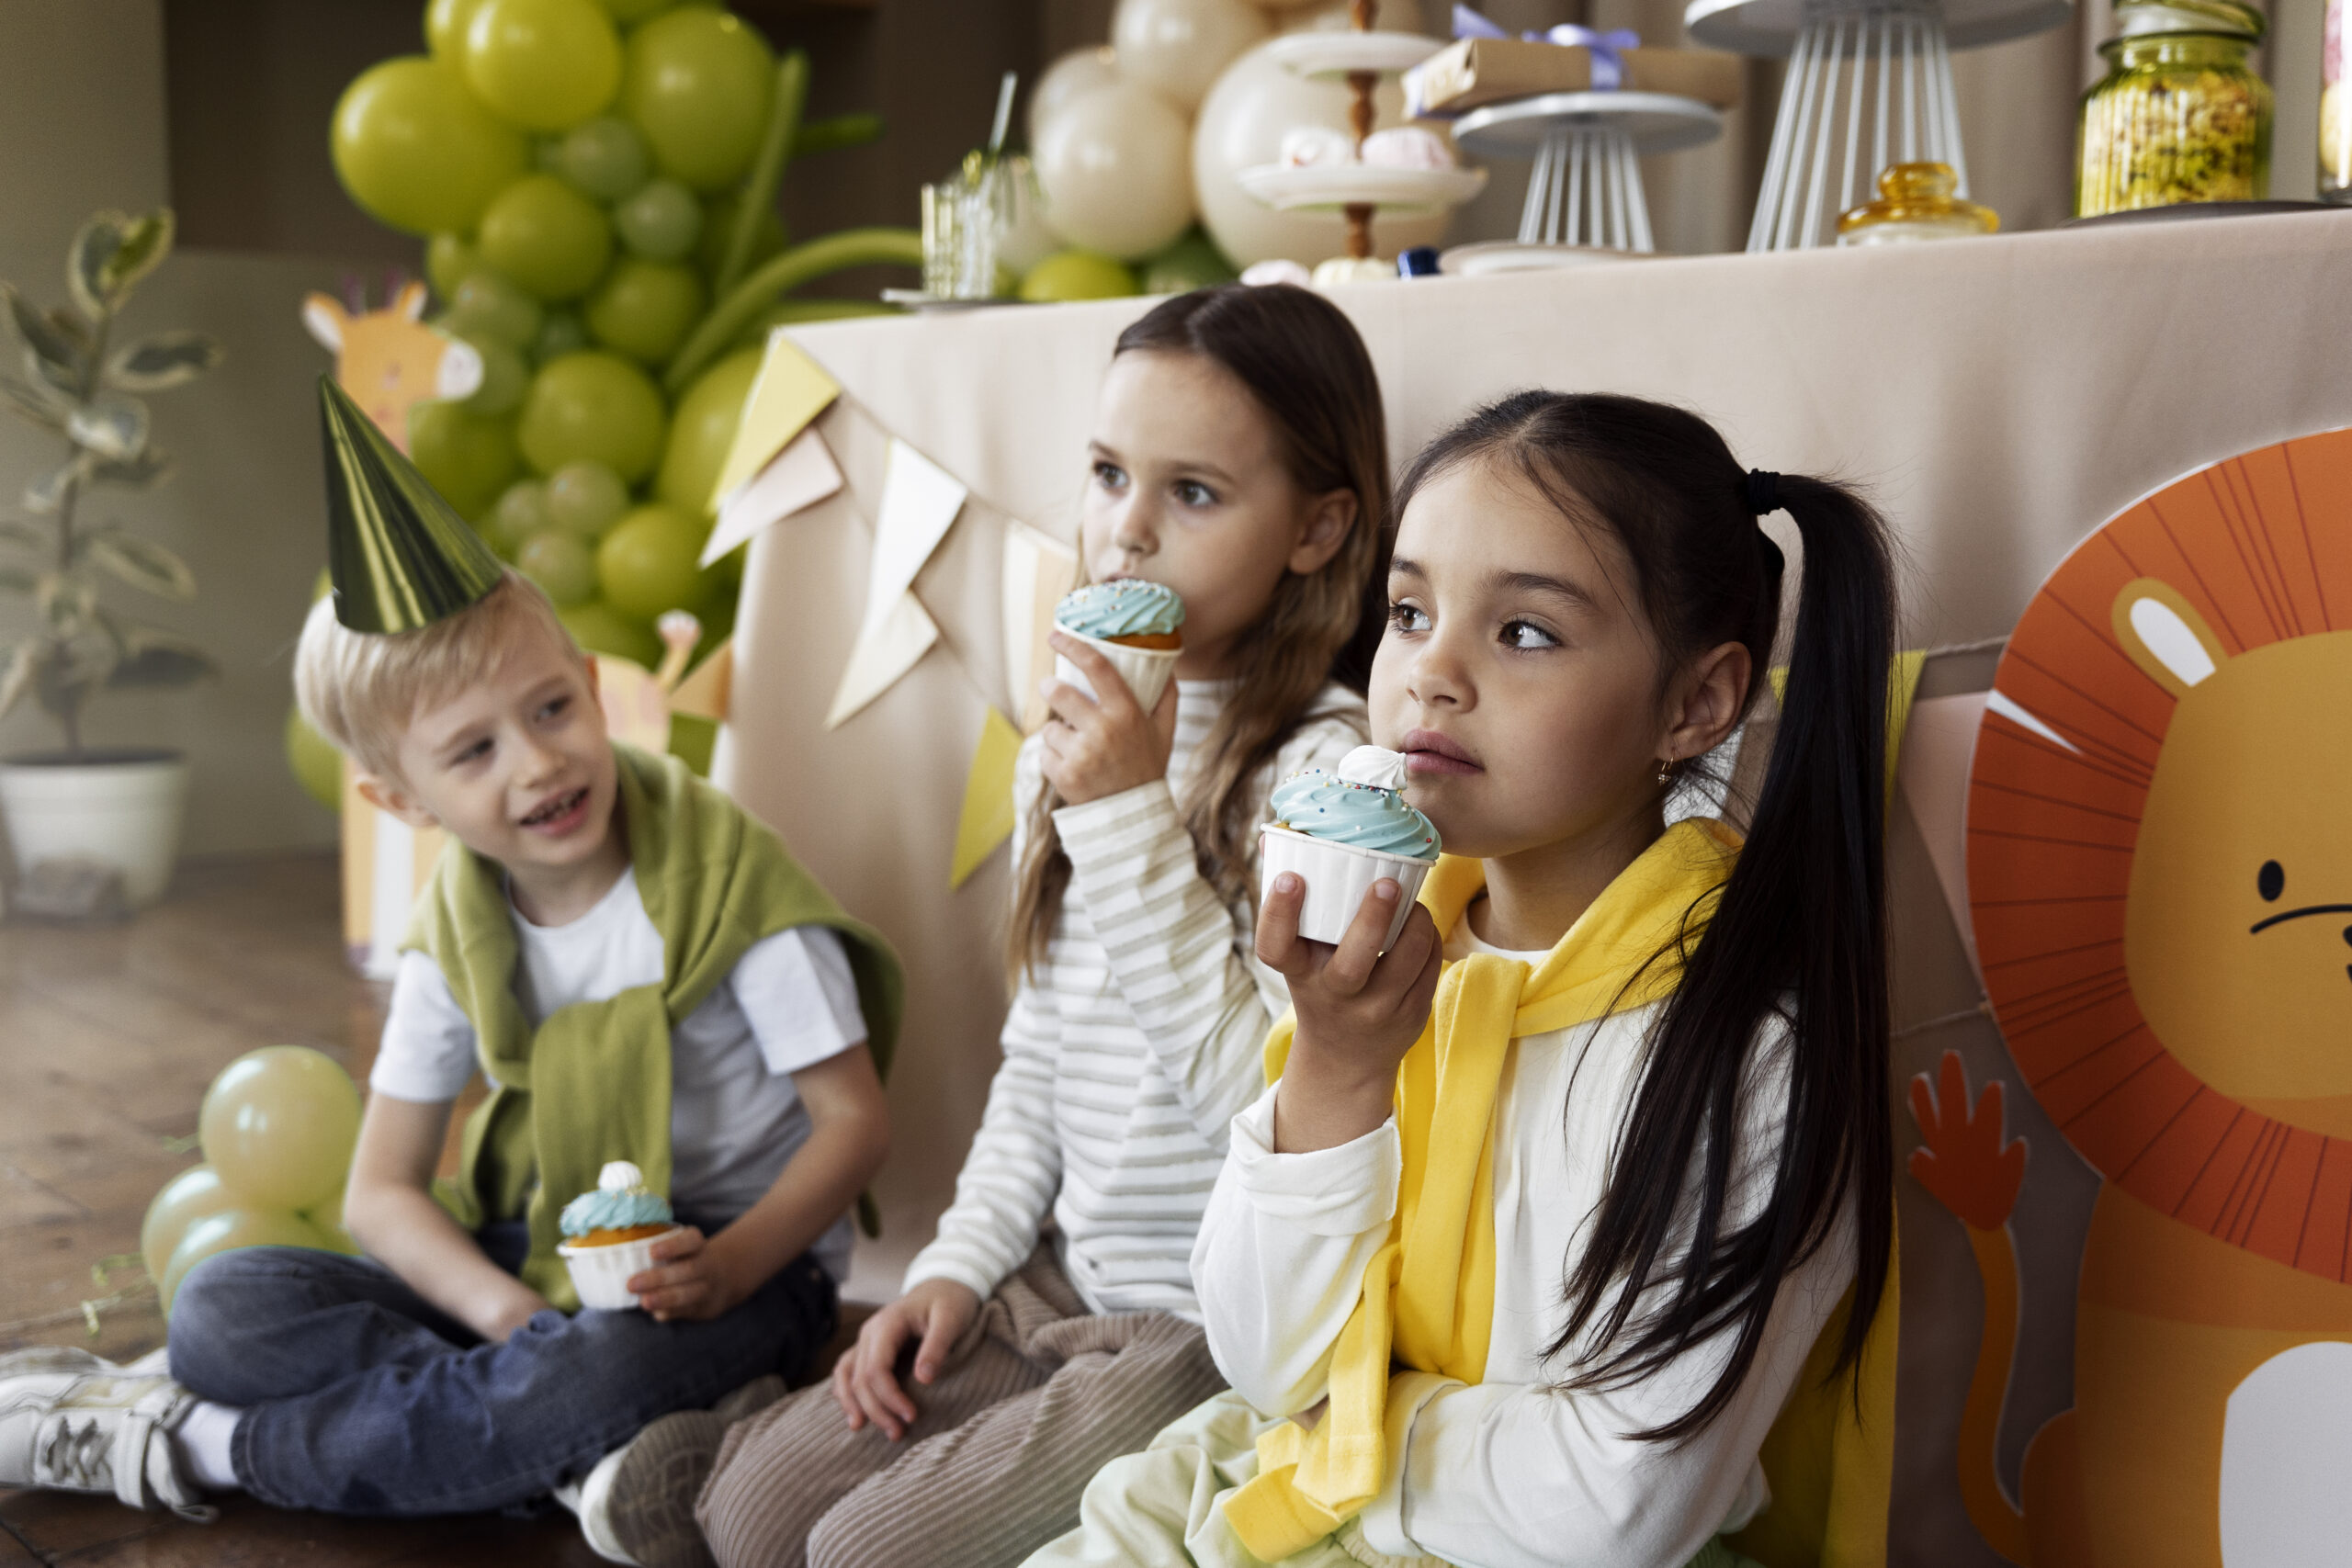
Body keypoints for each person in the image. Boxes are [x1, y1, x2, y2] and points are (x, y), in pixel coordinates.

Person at [0, 380, 902, 1568]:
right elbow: (384, 1191)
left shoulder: (732, 888)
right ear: (400, 798)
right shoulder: (457, 931)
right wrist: (515, 1320)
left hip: (732, 1261)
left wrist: (726, 1264)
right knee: (225, 1306)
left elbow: (854, 1122)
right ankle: (574, 1438)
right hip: (534, 1244)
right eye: (474, 749)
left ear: (589, 676)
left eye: (551, 706)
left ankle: (199, 1446)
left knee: (606, 1358)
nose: (537, 762)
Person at [1027, 390, 1899, 1568]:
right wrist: (1334, 1075)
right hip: (1293, 1508)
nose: (1429, 674)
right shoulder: (1382, 954)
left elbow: (1611, 1508)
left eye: (1524, 632)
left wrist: (1352, 1432)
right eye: (1406, 610)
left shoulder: (1746, 1053)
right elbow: (1266, 1362)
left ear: (1697, 702)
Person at [695, 283, 1396, 1568]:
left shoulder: (1328, 779)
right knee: (746, 1525)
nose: (1125, 531)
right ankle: (743, 1448)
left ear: (1317, 527)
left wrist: (1130, 814)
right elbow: (1043, 1061)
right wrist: (957, 1265)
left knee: (861, 1553)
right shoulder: (1065, 744)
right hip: (1061, 1280)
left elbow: (1273, 1105)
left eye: (1193, 493)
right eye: (1109, 473)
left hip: (1209, 1330)